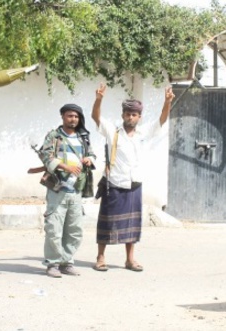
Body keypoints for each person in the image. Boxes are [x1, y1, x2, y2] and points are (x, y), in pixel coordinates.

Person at [90, 83, 175, 272]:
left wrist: (167, 102)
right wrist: (98, 99)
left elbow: (161, 120)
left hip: (135, 184)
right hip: (114, 183)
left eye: (134, 114)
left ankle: (130, 259)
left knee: (132, 224)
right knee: (107, 222)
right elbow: (96, 117)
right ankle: (101, 257)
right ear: (123, 116)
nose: (130, 117)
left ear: (139, 117)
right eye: (127, 114)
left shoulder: (144, 133)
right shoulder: (113, 132)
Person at [38, 103, 96, 278]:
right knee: (54, 228)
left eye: (76, 117)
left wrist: (88, 159)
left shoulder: (83, 137)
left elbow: (92, 154)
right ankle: (52, 263)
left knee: (74, 229)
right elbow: (45, 155)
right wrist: (65, 167)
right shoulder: (54, 136)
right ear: (63, 116)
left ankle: (66, 261)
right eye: (70, 116)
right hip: (58, 189)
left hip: (76, 190)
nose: (73, 119)